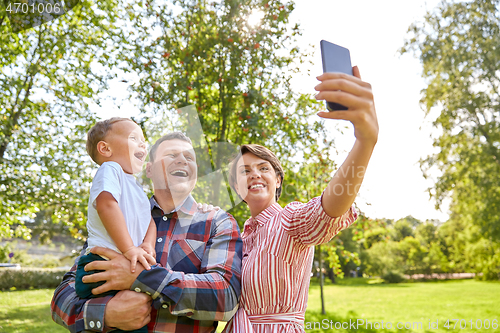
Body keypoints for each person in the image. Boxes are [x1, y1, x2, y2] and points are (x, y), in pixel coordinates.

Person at [224, 67, 378, 332]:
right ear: (237, 188)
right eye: (244, 171)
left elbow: (329, 208)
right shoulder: (235, 238)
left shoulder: (290, 221)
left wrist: (365, 142)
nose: (254, 175)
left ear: (278, 180)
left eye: (263, 168)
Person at [51, 132, 243, 333]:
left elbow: (225, 298)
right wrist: (104, 314)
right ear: (149, 169)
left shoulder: (217, 222)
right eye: (172, 155)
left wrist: (142, 277)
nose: (182, 160)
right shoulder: (118, 215)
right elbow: (61, 299)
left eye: (189, 158)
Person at [73, 117, 157, 333]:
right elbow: (106, 206)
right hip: (101, 263)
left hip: (127, 265)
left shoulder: (137, 187)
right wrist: (130, 249)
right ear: (105, 148)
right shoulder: (110, 170)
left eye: (144, 140)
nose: (143, 144)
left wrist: (148, 245)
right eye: (133, 138)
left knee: (134, 315)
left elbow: (149, 222)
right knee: (129, 314)